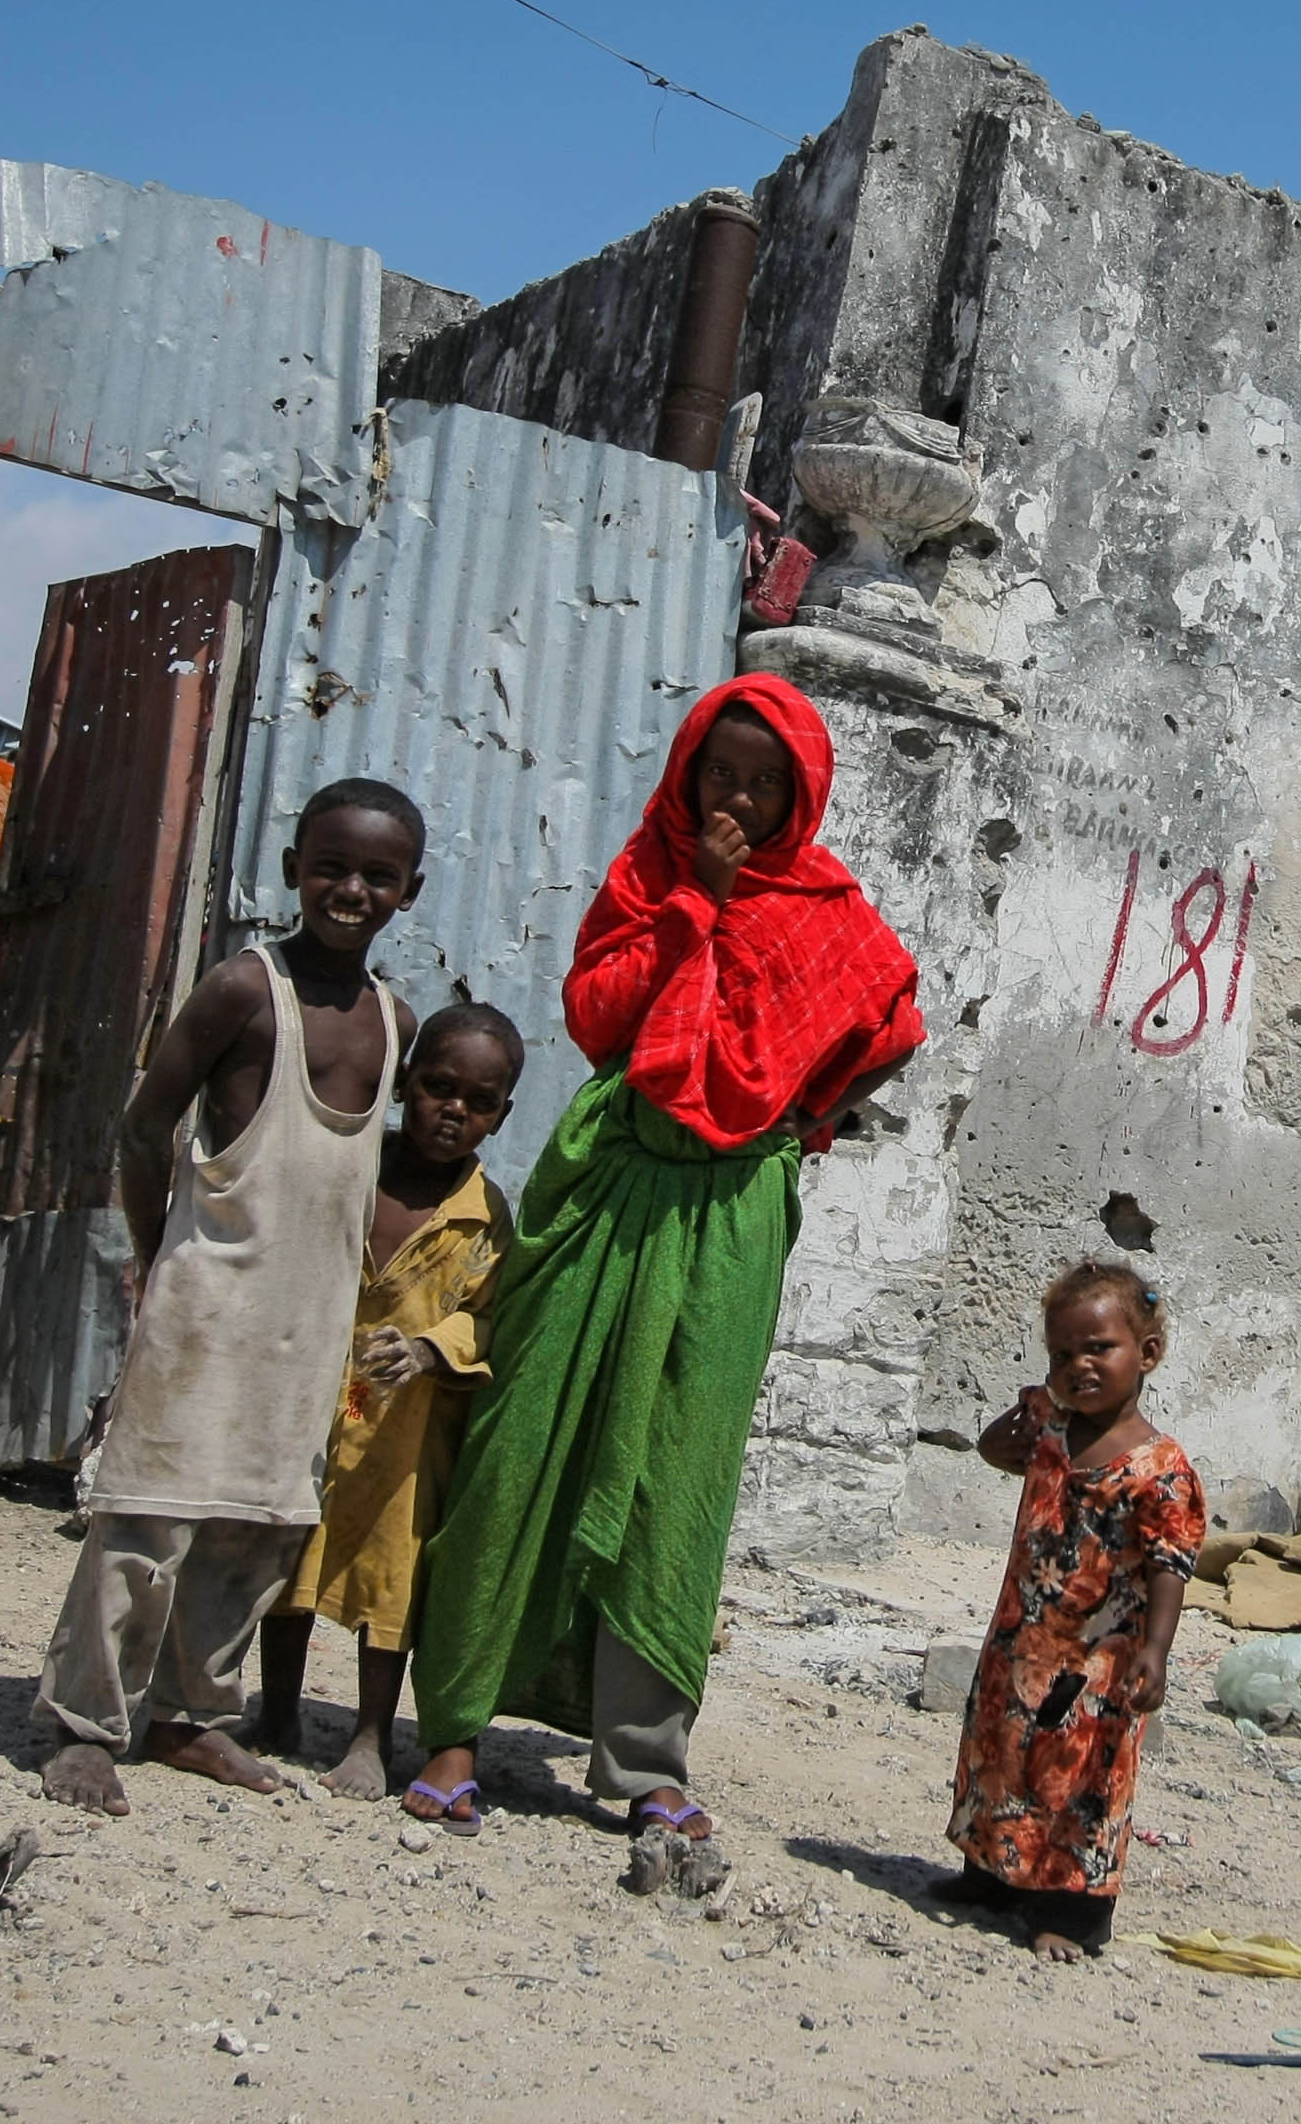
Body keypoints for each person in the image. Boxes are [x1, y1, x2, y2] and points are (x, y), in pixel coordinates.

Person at [402, 677, 922, 1842]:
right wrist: (698, 902)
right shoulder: (651, 875)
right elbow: (598, 1020)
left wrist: (808, 1117)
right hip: (612, 1185)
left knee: (676, 1472)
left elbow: (891, 1016)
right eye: (719, 774)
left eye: (763, 780)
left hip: (731, 1213)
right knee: (523, 1434)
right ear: (688, 776)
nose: (738, 796)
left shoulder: (826, 906)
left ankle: (644, 1761)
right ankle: (453, 1722)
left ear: (800, 793)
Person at [33, 779, 424, 1816]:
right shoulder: (243, 992)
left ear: (409, 891)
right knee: (149, 1516)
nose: (350, 888)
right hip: (207, 1300)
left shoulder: (397, 1021)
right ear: (293, 866)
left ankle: (188, 1713)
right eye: (331, 865)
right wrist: (162, 1253)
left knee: (257, 1525)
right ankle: (85, 1721)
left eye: (376, 876)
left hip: (308, 1319)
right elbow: (141, 1126)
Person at [253, 1003, 525, 1800]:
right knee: (292, 1559)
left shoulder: (484, 1218)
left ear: (499, 1117)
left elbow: (486, 1314)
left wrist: (426, 1350)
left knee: (390, 1577)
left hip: (408, 1433)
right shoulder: (351, 1171)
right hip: (313, 1404)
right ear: (404, 1083)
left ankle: (369, 1738)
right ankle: (276, 1714)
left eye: (477, 1103)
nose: (454, 1111)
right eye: (439, 1087)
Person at [943, 1261, 1205, 1962]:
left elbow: (1170, 1564)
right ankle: (991, 1875)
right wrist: (1008, 1429)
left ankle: (1074, 1910)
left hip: (1095, 1661)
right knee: (1000, 1753)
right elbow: (1000, 1445)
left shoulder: (1160, 1468)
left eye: (1098, 1350)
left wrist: (1154, 1651)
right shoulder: (1051, 1423)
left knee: (1079, 1776)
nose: (1079, 1366)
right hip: (1021, 1639)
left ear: (1146, 1355)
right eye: (1062, 1354)